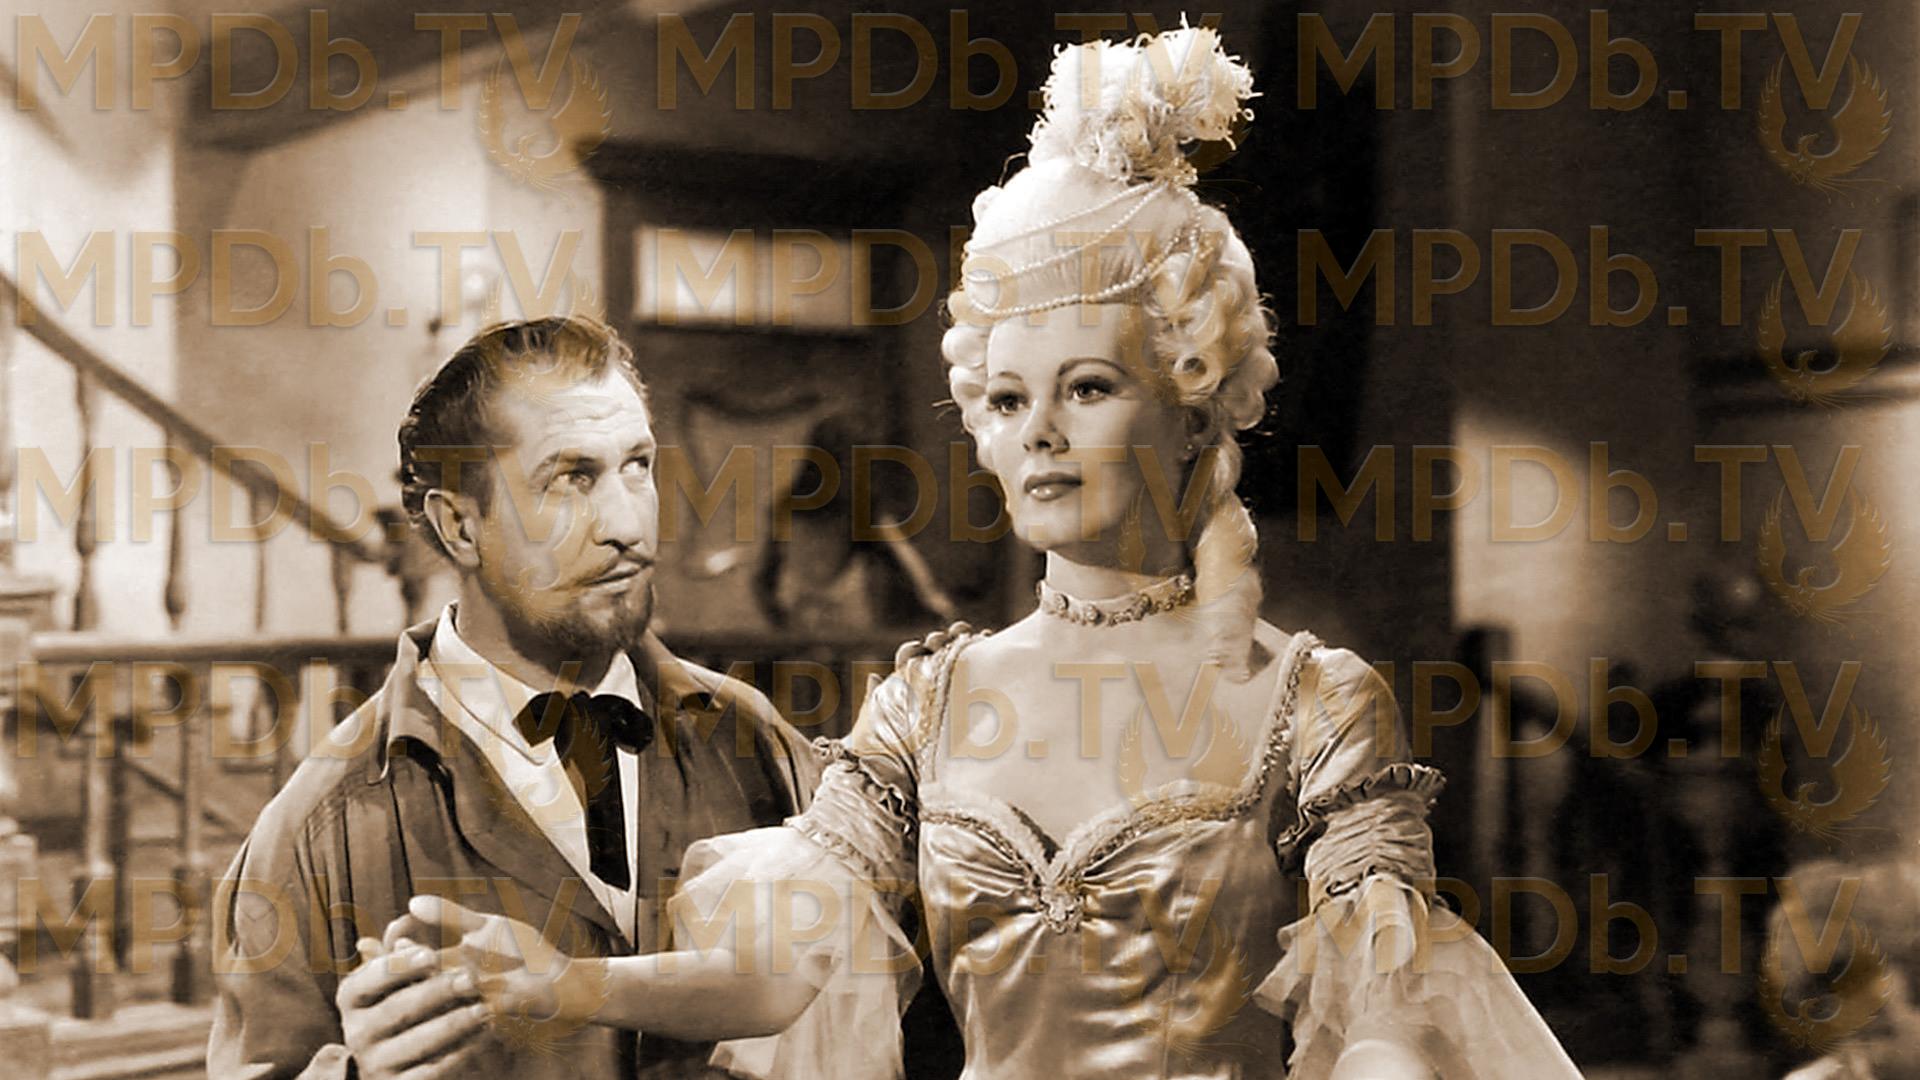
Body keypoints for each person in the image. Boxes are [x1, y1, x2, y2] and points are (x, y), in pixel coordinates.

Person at [408, 28, 1580, 1078]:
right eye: (1009, 400)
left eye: (1089, 387)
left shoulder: (1314, 704)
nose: (1040, 434)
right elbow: (779, 978)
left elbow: (1383, 1007)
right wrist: (564, 983)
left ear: (1191, 411)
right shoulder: (929, 703)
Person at [207, 317, 820, 1079]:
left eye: (637, 466)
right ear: (460, 528)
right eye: (571, 479)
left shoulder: (752, 742)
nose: (627, 525)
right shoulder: (321, 827)